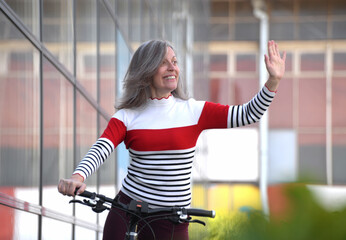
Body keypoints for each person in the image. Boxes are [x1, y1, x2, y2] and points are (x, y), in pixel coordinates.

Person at [58, 39, 286, 239]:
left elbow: (248, 113)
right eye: (164, 62)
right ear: (146, 70)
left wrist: (273, 81)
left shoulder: (193, 111)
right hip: (126, 212)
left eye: (175, 62)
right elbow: (103, 147)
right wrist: (78, 176)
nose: (172, 67)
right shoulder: (127, 116)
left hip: (172, 220)